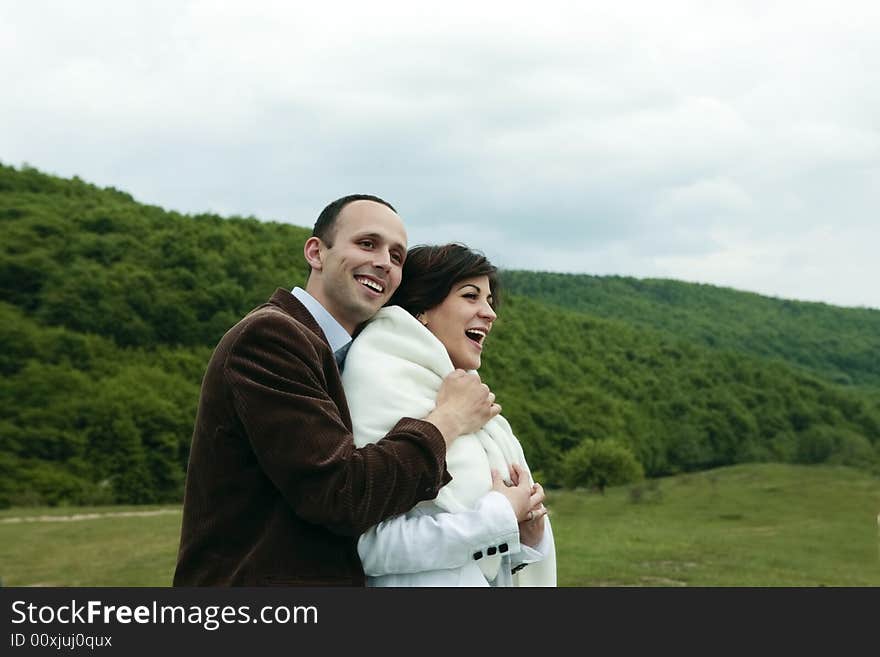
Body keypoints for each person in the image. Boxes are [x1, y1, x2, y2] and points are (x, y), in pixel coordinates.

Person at [173, 196, 503, 586]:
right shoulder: (271, 337)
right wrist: (447, 420)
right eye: (367, 244)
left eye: (397, 257)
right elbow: (340, 493)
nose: (384, 262)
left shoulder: (350, 358)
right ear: (316, 252)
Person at [342, 244, 557, 586]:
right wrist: (500, 515)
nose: (489, 313)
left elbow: (481, 552)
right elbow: (370, 544)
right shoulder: (380, 378)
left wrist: (528, 535)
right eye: (471, 296)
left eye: (489, 300)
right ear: (423, 307)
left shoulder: (462, 392)